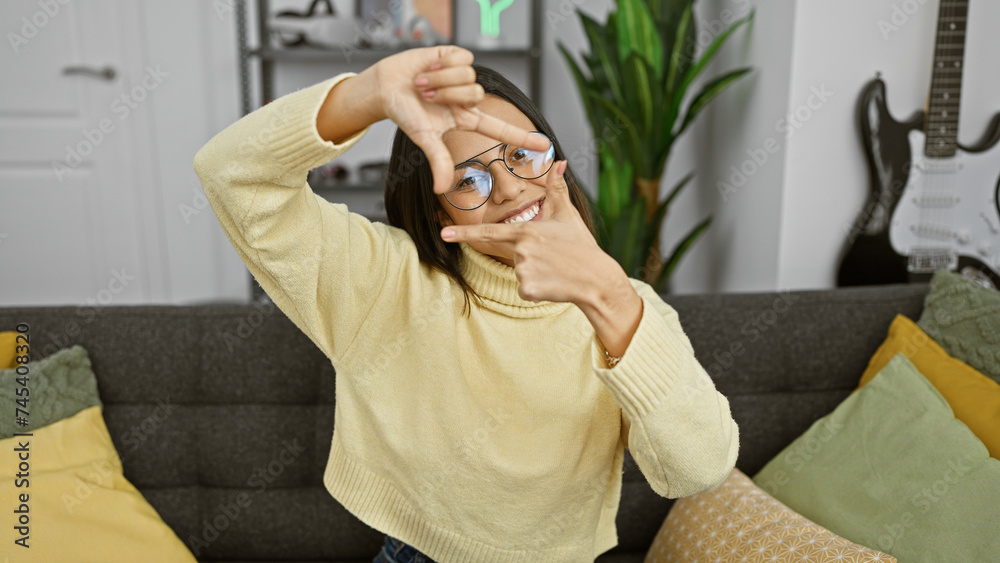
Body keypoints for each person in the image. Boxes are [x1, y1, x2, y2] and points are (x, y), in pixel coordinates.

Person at [193, 45, 739, 563]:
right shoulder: (385, 280)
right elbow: (232, 173)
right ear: (440, 217)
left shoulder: (630, 308)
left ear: (558, 162)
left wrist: (607, 292)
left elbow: (698, 470)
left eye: (523, 155)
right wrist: (366, 95)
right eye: (469, 180)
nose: (507, 188)